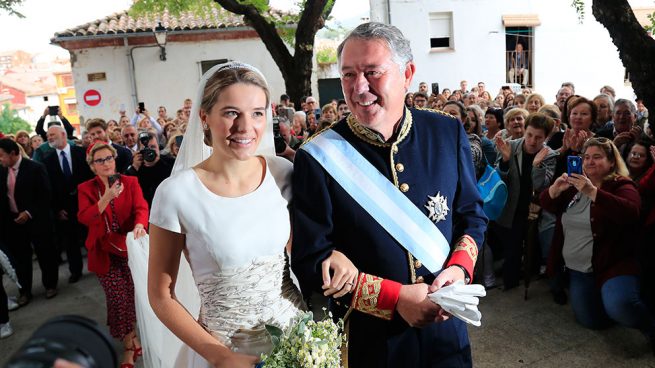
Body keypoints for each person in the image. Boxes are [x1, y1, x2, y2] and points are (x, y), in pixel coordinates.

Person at [291, 22, 487, 367]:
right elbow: (311, 261)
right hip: (373, 341)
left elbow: (471, 215)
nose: (359, 87)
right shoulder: (317, 157)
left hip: (446, 328)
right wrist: (395, 298)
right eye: (349, 75)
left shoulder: (445, 131)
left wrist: (458, 270)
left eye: (372, 72)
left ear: (407, 73)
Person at [146, 62, 305, 367]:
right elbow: (161, 295)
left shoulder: (282, 174)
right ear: (204, 117)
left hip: (296, 339)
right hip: (224, 350)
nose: (245, 127)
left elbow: (308, 251)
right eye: (231, 113)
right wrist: (219, 355)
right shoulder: (176, 193)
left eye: (257, 113)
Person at [540, 138, 655, 350]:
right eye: (586, 157)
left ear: (612, 162)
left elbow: (631, 212)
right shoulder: (575, 185)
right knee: (591, 321)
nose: (590, 162)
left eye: (597, 157)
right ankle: (607, 301)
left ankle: (648, 324)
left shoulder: (621, 184)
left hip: (613, 265)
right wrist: (555, 190)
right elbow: (546, 204)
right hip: (580, 271)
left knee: (621, 307)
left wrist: (593, 191)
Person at [77, 142, 148, 368]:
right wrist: (106, 197)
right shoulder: (86, 189)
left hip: (128, 248)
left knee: (131, 297)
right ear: (92, 166)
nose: (106, 163)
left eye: (109, 158)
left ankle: (133, 335)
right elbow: (84, 218)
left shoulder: (131, 182)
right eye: (100, 160)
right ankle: (129, 346)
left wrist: (139, 224)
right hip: (103, 251)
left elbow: (141, 207)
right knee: (119, 298)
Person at [493, 113, 558, 289]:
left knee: (533, 244)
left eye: (538, 137)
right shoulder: (511, 146)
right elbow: (498, 182)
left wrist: (537, 165)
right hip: (512, 207)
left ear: (546, 138)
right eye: (529, 135)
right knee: (512, 247)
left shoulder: (549, 155)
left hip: (535, 207)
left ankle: (533, 272)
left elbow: (542, 185)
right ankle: (510, 281)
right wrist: (505, 161)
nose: (532, 141)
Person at [0, 138, 59, 306]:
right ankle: (24, 291)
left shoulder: (35, 168)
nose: (0, 159)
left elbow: (45, 194)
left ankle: (50, 285)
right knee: (20, 258)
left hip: (37, 219)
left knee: (45, 252)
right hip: (14, 222)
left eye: (2, 156)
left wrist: (28, 212)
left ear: (12, 154)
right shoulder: (2, 171)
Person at [42, 125, 94, 284]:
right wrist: (57, 209)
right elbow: (48, 187)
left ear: (63, 134)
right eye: (48, 135)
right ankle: (75, 271)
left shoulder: (80, 153)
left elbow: (90, 179)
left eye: (52, 134)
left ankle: (98, 265)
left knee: (91, 237)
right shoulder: (47, 159)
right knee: (70, 242)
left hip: (85, 205)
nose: (49, 138)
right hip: (64, 209)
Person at [125, 131, 174, 208]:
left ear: (158, 147)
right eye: (146, 148)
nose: (150, 151)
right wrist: (134, 168)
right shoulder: (133, 167)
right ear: (139, 151)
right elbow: (124, 189)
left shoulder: (171, 163)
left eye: (153, 147)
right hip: (146, 211)